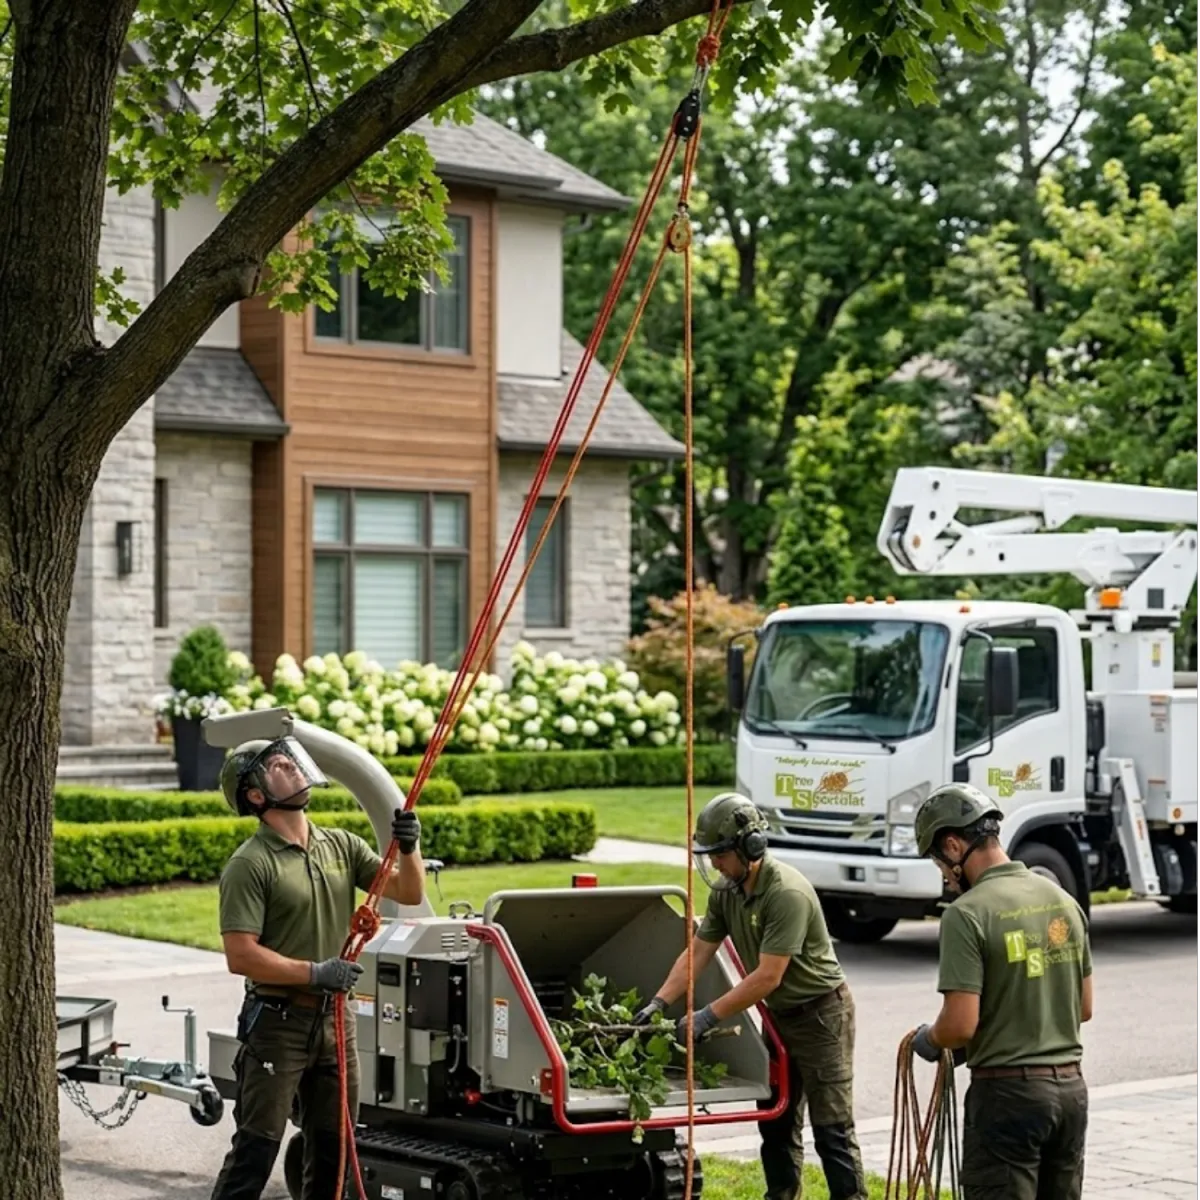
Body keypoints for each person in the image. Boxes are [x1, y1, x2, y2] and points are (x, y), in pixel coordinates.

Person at [209, 735, 426, 1200]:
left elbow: (408, 892)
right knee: (255, 1151)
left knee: (335, 1154)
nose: (293, 766)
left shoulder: (341, 846)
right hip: (277, 1024)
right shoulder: (250, 865)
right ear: (255, 794)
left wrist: (409, 848)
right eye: (279, 765)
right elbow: (240, 956)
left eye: (293, 759)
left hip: (335, 1023)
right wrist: (315, 973)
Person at [633, 792, 867, 1200]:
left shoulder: (786, 894)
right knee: (774, 1121)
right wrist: (659, 1002)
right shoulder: (727, 891)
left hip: (821, 1016)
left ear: (750, 847)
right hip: (780, 1017)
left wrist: (707, 1016)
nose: (715, 865)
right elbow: (699, 952)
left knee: (832, 1127)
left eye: (720, 855)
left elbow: (767, 977)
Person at [909, 782, 1093, 1200]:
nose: (945, 879)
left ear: (954, 846)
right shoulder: (1062, 900)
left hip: (1007, 1099)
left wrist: (930, 1039)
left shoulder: (967, 914)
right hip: (1070, 1095)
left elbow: (959, 1025)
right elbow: (1082, 1007)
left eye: (939, 864)